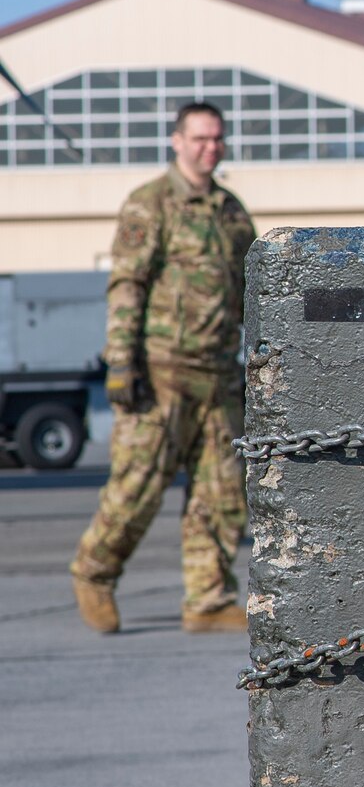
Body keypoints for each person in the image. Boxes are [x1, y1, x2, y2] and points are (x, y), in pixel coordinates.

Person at [72, 102, 255, 634]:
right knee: (137, 487)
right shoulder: (150, 204)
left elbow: (250, 294)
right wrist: (122, 361)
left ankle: (209, 597)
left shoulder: (233, 213)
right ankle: (94, 573)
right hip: (162, 372)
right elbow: (127, 285)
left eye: (217, 139)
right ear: (176, 141)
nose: (210, 148)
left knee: (221, 492)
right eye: (199, 138)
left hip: (219, 375)